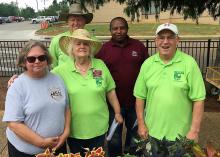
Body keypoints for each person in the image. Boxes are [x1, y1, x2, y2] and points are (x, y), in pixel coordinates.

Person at [134, 23, 206, 156]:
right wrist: (141, 124)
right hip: (152, 134)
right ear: (156, 41)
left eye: (170, 37)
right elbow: (140, 96)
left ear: (177, 40)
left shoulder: (189, 64)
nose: (165, 42)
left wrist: (194, 130)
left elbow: (199, 99)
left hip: (181, 136)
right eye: (161, 37)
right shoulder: (147, 64)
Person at [52, 29, 123, 156]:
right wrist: (18, 79)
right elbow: (41, 79)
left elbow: (110, 91)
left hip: (99, 126)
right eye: (78, 43)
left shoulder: (100, 65)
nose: (82, 46)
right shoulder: (60, 71)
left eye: (85, 44)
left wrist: (117, 112)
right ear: (71, 48)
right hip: (74, 129)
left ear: (90, 48)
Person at [2, 41, 71, 157]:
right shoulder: (17, 86)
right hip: (26, 152)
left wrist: (66, 132)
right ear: (24, 61)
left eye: (41, 57)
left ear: (47, 59)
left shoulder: (57, 79)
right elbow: (14, 124)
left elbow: (66, 108)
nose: (37, 61)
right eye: (31, 59)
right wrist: (41, 142)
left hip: (57, 147)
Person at [96, 17, 149, 156]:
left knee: (135, 137)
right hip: (113, 105)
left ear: (127, 29)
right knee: (114, 138)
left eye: (122, 28)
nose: (119, 31)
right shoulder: (103, 50)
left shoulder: (138, 47)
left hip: (136, 103)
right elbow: (97, 75)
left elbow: (148, 71)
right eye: (115, 28)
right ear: (110, 30)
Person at [49, 2, 93, 68]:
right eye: (72, 20)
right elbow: (53, 64)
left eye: (79, 20)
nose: (76, 23)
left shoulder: (92, 41)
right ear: (67, 22)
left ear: (85, 22)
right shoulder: (57, 40)